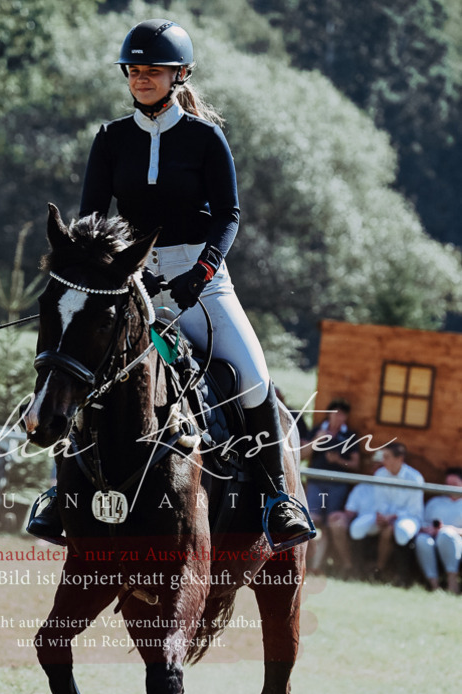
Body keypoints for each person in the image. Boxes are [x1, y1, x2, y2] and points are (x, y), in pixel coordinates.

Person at [28, 18, 314, 549]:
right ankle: (57, 493)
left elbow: (228, 216)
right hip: (126, 279)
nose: (141, 78)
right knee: (83, 368)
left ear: (179, 75)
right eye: (134, 70)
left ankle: (279, 498)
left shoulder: (205, 138)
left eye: (152, 71)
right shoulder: (111, 138)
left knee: (253, 376)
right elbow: (92, 217)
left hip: (201, 281)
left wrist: (198, 275)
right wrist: (91, 273)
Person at [328, 442, 424, 580]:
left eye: (386, 457)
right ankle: (357, 569)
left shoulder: (415, 478)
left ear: (399, 459)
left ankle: (402, 574)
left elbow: (414, 509)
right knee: (357, 528)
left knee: (402, 533)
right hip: (385, 516)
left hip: (407, 517)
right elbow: (380, 501)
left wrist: (393, 517)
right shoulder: (380, 474)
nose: (383, 461)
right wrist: (382, 515)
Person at [300, 398, 360, 571]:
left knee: (331, 525)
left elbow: (355, 465)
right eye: (336, 413)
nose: (339, 418)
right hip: (315, 484)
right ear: (329, 414)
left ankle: (342, 565)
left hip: (338, 486)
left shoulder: (349, 436)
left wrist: (339, 460)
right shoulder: (317, 431)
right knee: (312, 522)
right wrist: (317, 440)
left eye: (343, 415)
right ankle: (309, 564)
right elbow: (302, 455)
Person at [414, 467, 462, 593]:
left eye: (454, 484)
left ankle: (452, 582)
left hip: (455, 540)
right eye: (448, 484)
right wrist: (429, 530)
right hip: (433, 539)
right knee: (422, 540)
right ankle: (434, 586)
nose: (450, 487)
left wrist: (451, 529)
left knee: (446, 534)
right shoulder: (435, 502)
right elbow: (421, 524)